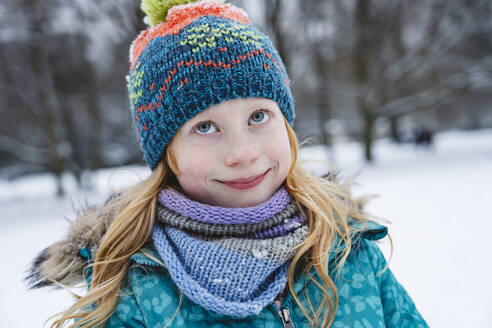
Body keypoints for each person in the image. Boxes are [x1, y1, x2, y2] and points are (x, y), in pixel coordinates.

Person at [27, 0, 428, 327]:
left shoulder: (345, 246)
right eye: (205, 127)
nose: (243, 153)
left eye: (258, 117)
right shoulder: (132, 289)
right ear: (166, 153)